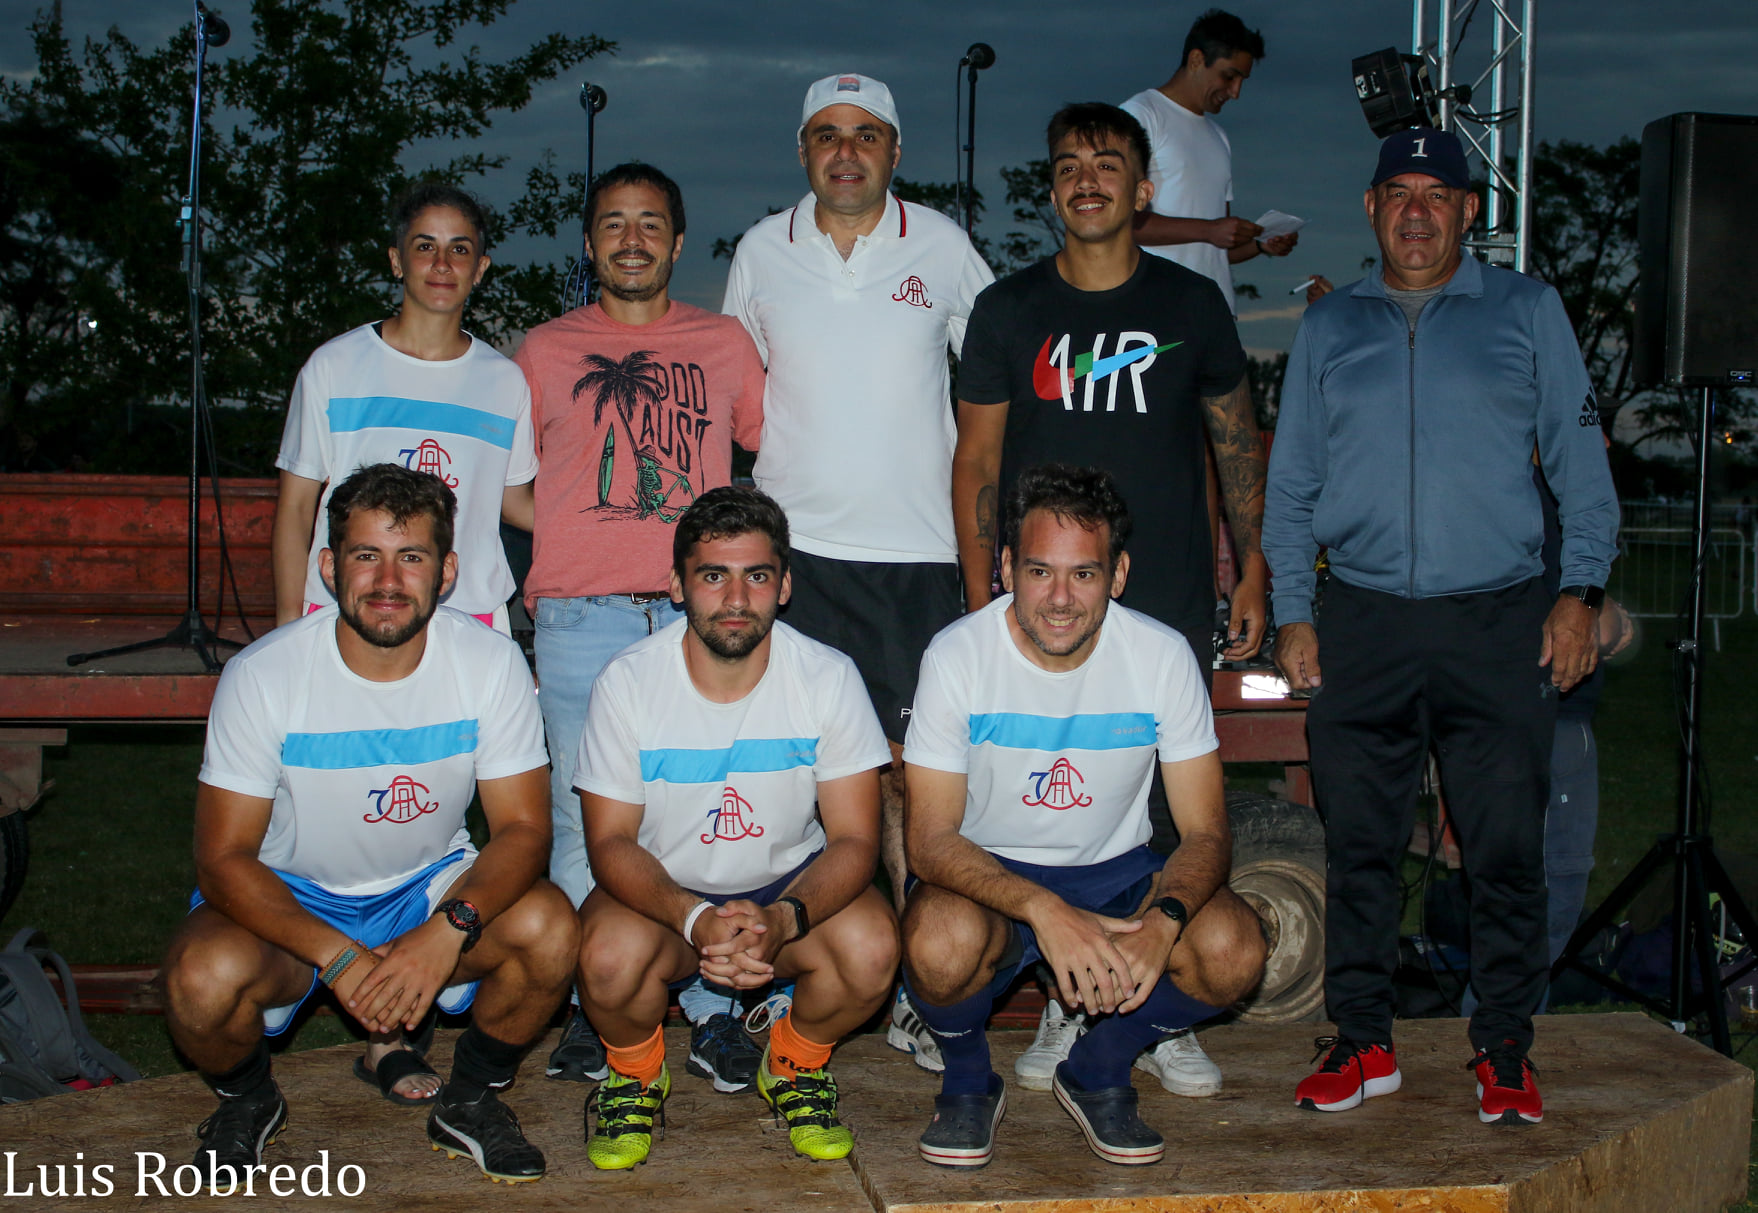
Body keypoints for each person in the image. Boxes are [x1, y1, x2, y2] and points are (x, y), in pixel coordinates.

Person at [1262, 127, 1619, 1125]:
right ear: (1373, 209)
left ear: (1468, 210)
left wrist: (1580, 592)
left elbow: (1584, 472)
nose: (1416, 212)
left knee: (1504, 851)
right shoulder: (1330, 325)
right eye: (1398, 193)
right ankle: (1363, 1040)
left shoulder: (1527, 310)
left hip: (1498, 620)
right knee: (1360, 848)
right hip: (1363, 620)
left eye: (1436, 194)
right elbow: (1291, 486)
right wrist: (1294, 611)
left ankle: (1503, 1046)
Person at [951, 101, 1267, 1098]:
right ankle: (1066, 990)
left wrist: (1253, 564)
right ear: (1052, 190)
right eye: (1068, 164)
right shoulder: (1008, 309)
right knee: (1053, 800)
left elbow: (1234, 443)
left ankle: (1148, 1003)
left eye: (1108, 163)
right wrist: (979, 596)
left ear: (1145, 189)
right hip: (1040, 605)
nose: (1086, 178)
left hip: (1162, 594)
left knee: (1168, 817)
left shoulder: (1191, 304)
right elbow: (978, 464)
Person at [162, 463, 576, 1186]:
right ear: (329, 568)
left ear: (447, 572)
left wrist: (447, 929)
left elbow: (523, 831)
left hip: (424, 885)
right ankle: (248, 1098)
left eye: (411, 556)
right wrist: (340, 956)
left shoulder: (489, 661)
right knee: (200, 978)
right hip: (293, 895)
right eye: (366, 555)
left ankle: (469, 1099)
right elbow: (223, 858)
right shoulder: (264, 674)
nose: (388, 580)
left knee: (552, 928)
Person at [722, 70, 994, 1066]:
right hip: (794, 562)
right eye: (828, 134)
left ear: (896, 150)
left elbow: (997, 379)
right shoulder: (761, 251)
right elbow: (733, 397)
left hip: (917, 557)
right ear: (803, 150)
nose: (847, 152)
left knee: (915, 785)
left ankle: (921, 986)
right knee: (792, 780)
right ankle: (771, 978)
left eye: (867, 134)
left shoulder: (944, 246)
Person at [901, 464, 1266, 1169]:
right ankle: (968, 1080)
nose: (1060, 598)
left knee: (1233, 948)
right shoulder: (957, 655)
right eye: (1040, 571)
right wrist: (1046, 911)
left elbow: (1207, 832)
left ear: (1117, 575)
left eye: (1084, 574)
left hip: (1116, 875)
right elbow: (930, 841)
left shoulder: (1161, 655)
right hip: (993, 877)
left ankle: (1100, 1065)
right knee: (938, 941)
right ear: (1006, 568)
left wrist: (1163, 923)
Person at [512, 163, 767, 1092]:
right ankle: (598, 1006)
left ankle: (711, 1009)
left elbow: (771, 450)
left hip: (699, 615)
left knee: (703, 808)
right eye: (614, 223)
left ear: (678, 241)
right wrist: (574, 535)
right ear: (589, 244)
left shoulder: (723, 343)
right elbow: (508, 480)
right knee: (585, 818)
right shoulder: (544, 351)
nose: (632, 239)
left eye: (650, 223)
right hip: (580, 618)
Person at [571, 486, 898, 1169]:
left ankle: (793, 1064)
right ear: (677, 585)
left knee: (870, 947)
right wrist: (694, 918)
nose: (737, 598)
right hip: (666, 897)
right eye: (714, 575)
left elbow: (856, 841)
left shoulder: (828, 676)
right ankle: (634, 1077)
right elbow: (609, 843)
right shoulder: (628, 681)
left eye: (757, 575)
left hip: (786, 888)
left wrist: (784, 917)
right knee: (605, 956)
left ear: (785, 586)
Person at [272, 182, 536, 633]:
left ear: (480, 268)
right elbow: (296, 507)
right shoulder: (335, 366)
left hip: (466, 615)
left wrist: (611, 515)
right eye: (425, 246)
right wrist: (287, 629)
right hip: (348, 612)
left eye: (459, 249)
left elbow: (515, 503)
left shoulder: (504, 381)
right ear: (397, 261)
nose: (442, 263)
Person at [1120, 9, 1295, 316]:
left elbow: (1215, 249)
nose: (1235, 92)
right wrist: (1210, 229)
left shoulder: (1219, 137)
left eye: (1242, 80)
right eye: (1229, 76)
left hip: (1215, 314)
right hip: (1155, 313)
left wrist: (1259, 244)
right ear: (1196, 60)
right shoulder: (1141, 115)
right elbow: (1117, 222)